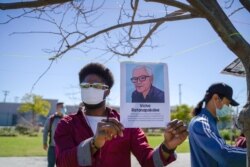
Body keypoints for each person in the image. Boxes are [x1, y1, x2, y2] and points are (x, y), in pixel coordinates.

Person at [54, 62, 188, 167]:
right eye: (85, 86)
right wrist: (94, 144)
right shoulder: (67, 124)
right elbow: (61, 163)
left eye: (96, 86)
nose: (90, 90)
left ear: (107, 91)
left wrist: (167, 147)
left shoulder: (126, 122)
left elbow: (149, 162)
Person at [188, 82, 247, 167]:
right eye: (228, 104)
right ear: (216, 98)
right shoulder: (201, 123)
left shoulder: (210, 122)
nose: (229, 108)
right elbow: (224, 154)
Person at [43, 102, 65, 167]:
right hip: (52, 147)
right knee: (50, 165)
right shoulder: (51, 119)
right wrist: (44, 142)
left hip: (64, 148)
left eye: (63, 107)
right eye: (61, 107)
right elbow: (45, 131)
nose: (63, 108)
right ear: (57, 108)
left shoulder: (67, 119)